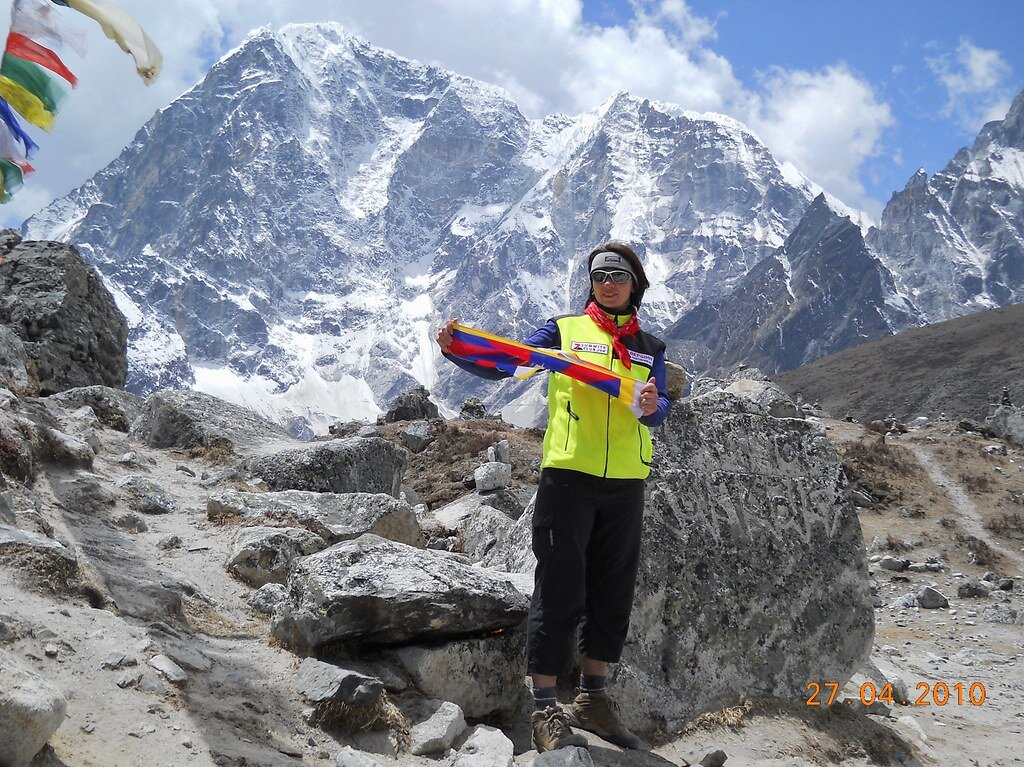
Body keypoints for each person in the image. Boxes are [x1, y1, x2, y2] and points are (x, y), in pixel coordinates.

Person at [436, 241, 671, 753]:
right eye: (599, 274)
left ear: (636, 284)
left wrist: (654, 406)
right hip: (568, 478)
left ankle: (594, 699)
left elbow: (658, 407)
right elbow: (512, 363)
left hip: (627, 482)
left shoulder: (650, 347)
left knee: (613, 591)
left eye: (618, 274)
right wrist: (459, 350)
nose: (607, 281)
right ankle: (544, 708)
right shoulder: (563, 330)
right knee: (560, 588)